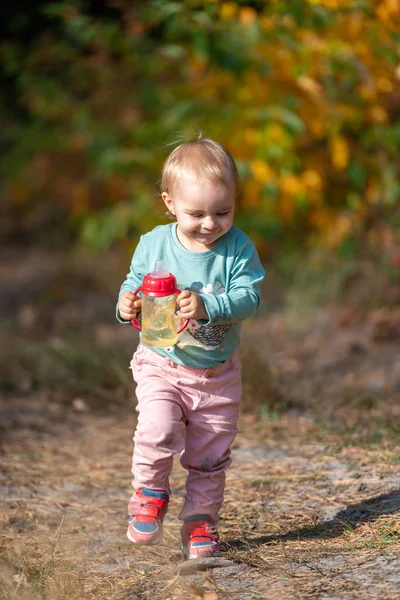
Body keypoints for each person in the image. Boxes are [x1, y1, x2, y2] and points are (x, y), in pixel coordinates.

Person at [116, 135, 265, 560]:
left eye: (223, 211)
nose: (210, 223)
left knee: (210, 454)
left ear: (235, 202)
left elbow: (249, 298)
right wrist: (126, 304)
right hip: (161, 362)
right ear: (169, 202)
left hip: (216, 375)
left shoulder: (238, 249)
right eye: (196, 213)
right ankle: (149, 494)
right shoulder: (154, 244)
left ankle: (200, 522)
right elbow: (133, 284)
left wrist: (207, 304)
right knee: (157, 429)